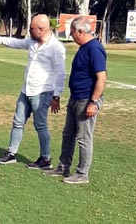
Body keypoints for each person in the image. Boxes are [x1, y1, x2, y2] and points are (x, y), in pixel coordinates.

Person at [0, 14, 66, 170]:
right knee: (17, 121)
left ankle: (45, 159)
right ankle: (11, 153)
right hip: (26, 90)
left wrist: (56, 95)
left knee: (40, 125)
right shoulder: (33, 42)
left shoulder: (56, 48)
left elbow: (61, 73)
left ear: (41, 29)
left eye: (31, 29)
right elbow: (15, 43)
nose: (29, 31)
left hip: (42, 93)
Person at [44, 15, 106, 184]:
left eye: (72, 33)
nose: (71, 36)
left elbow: (101, 78)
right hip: (75, 97)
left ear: (80, 31)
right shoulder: (84, 48)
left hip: (86, 99)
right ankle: (63, 167)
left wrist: (93, 102)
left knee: (84, 137)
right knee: (68, 134)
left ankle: (82, 174)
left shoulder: (95, 49)